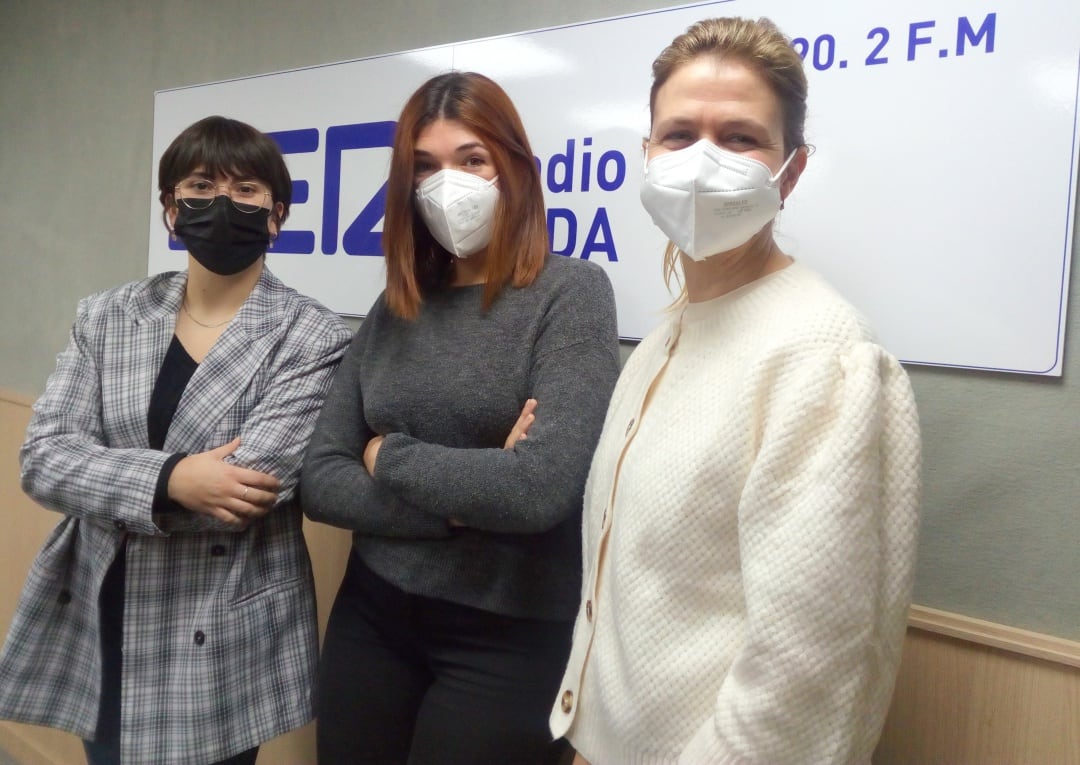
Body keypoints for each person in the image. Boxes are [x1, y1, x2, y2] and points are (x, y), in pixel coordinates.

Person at [550, 17, 921, 765]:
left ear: (792, 170)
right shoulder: (665, 338)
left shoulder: (823, 355)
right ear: (646, 155)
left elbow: (805, 672)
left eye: (742, 137)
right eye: (679, 134)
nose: (702, 160)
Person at [0, 115, 351, 765]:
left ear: (277, 216)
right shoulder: (106, 315)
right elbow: (43, 457)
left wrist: (108, 475)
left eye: (247, 190)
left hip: (218, 622)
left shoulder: (314, 334)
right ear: (170, 210)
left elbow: (250, 486)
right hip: (104, 609)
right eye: (200, 183)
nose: (222, 202)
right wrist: (171, 480)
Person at [300, 71, 620, 765]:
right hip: (372, 613)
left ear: (513, 167)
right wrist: (458, 504)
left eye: (471, 159)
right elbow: (320, 477)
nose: (449, 184)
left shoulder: (571, 295)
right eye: (426, 167)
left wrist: (387, 457)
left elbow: (536, 490)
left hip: (508, 633)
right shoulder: (395, 308)